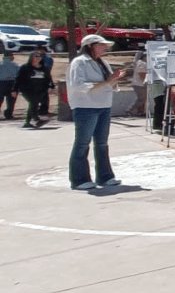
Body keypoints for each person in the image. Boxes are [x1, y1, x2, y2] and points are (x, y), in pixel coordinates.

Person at [66, 34, 130, 190]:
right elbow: (79, 85)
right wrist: (107, 82)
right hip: (85, 107)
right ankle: (79, 179)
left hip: (103, 105)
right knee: (82, 143)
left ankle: (105, 176)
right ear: (90, 46)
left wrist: (115, 79)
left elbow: (109, 83)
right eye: (101, 45)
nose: (105, 48)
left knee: (102, 143)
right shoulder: (79, 63)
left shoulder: (103, 63)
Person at [15, 51, 55, 128]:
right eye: (35, 56)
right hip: (27, 90)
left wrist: (51, 86)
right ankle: (36, 118)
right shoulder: (25, 67)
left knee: (33, 104)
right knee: (33, 102)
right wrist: (14, 89)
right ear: (31, 58)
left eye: (39, 56)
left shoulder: (44, 68)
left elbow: (48, 78)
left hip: (40, 90)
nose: (38, 58)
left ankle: (27, 122)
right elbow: (18, 79)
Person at [127, 51, 148, 117]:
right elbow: (141, 74)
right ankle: (130, 110)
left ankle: (140, 111)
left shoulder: (140, 63)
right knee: (141, 99)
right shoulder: (142, 63)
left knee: (143, 99)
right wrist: (145, 82)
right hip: (139, 84)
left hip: (139, 83)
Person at [35, 46, 54, 116]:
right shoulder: (35, 57)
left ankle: (43, 110)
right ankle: (36, 109)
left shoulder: (48, 59)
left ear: (43, 50)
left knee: (44, 95)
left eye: (39, 50)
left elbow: (47, 68)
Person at [0, 51, 19, 119]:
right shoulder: (15, 65)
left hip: (1, 83)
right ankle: (9, 114)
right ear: (11, 56)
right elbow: (19, 75)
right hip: (12, 83)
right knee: (11, 101)